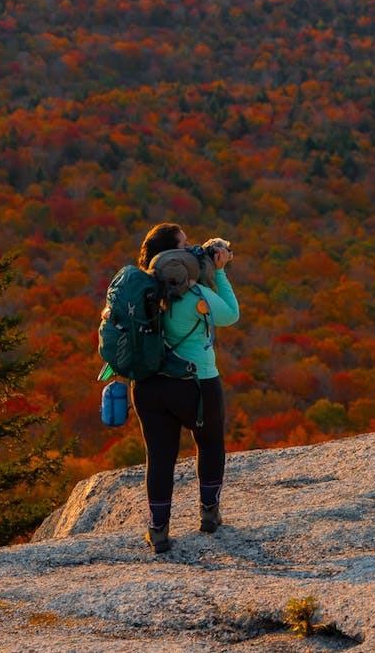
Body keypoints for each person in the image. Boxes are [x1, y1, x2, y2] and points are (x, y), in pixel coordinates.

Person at [132, 221, 239, 554]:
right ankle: (209, 514)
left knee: (160, 457)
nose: (191, 248)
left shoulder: (137, 290)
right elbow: (231, 315)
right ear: (173, 253)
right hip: (196, 381)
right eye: (184, 244)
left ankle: (159, 531)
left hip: (148, 385)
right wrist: (219, 272)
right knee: (209, 443)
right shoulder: (196, 293)